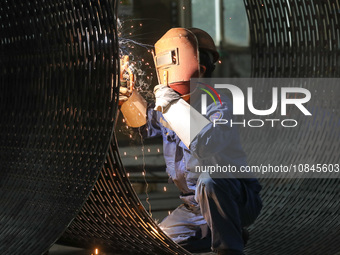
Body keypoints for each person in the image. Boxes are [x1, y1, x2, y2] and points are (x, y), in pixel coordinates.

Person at [119, 27, 262, 255]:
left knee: (210, 180)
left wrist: (173, 106)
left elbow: (208, 144)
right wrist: (127, 96)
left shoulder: (218, 103)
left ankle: (230, 247)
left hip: (234, 199)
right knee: (154, 245)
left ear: (200, 69)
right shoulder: (170, 106)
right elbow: (144, 125)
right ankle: (223, 233)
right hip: (193, 208)